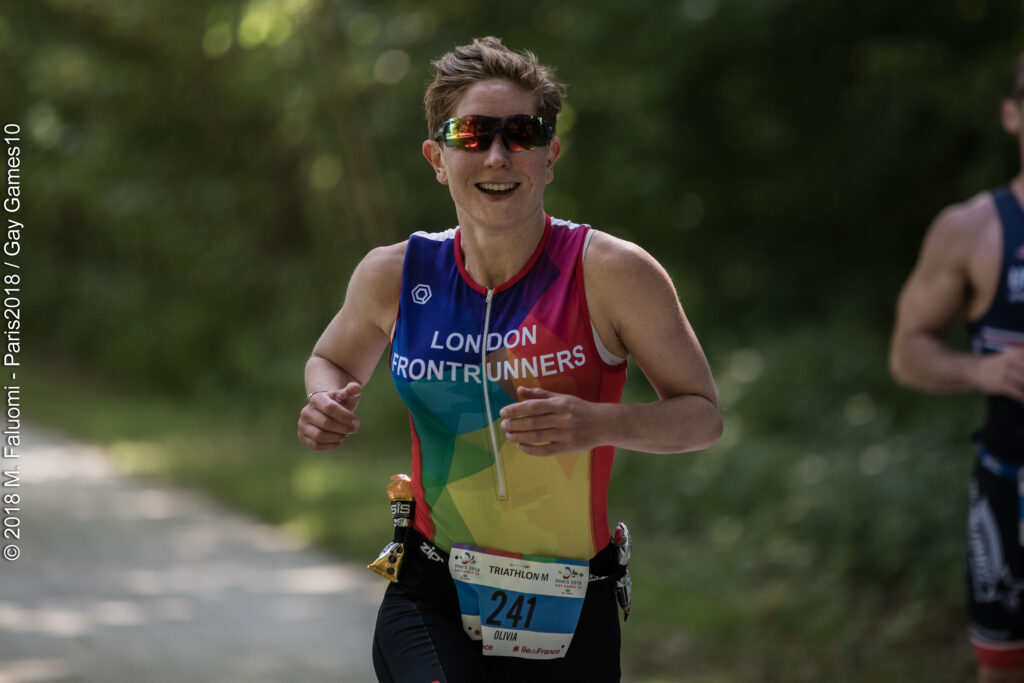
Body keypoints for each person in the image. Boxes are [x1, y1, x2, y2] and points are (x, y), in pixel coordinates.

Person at [297, 36, 722, 683]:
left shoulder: (611, 273)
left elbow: (702, 417)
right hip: (431, 585)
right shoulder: (396, 273)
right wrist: (325, 399)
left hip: (570, 600)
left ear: (551, 154)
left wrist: (599, 424)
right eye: (472, 133)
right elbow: (332, 357)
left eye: (521, 132)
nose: (497, 154)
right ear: (437, 158)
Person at [890, 54, 1024, 683]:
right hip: (1009, 489)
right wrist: (983, 372)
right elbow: (907, 350)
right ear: (1011, 114)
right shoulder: (973, 229)